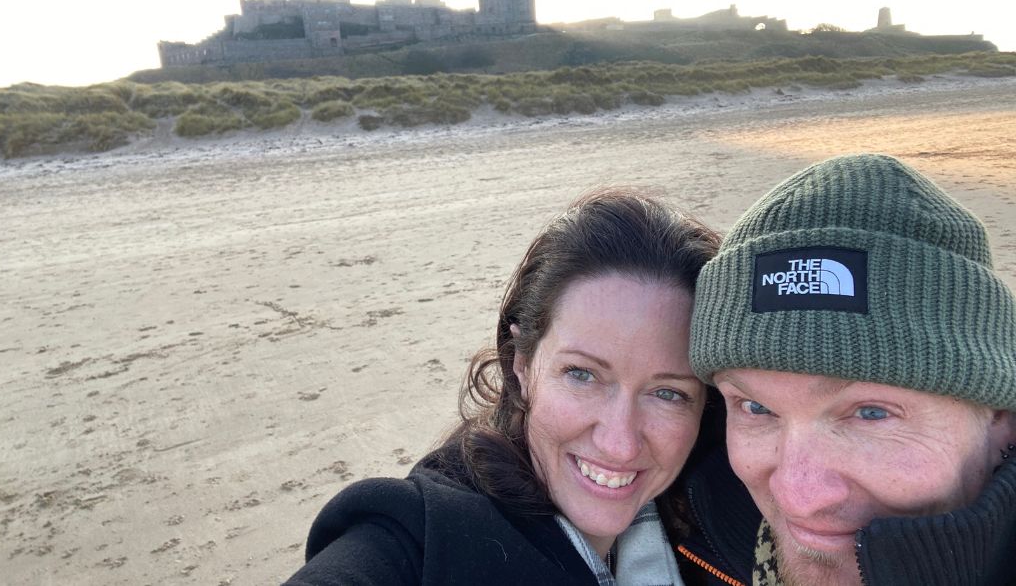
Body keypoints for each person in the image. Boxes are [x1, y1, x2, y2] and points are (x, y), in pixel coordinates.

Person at [285, 188, 725, 585]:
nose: (621, 444)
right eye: (582, 374)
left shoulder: (726, 527)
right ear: (522, 363)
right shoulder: (421, 538)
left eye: (668, 393)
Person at [678, 153, 1016, 586]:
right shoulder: (687, 535)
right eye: (756, 408)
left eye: (871, 412)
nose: (798, 497)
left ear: (1000, 420)